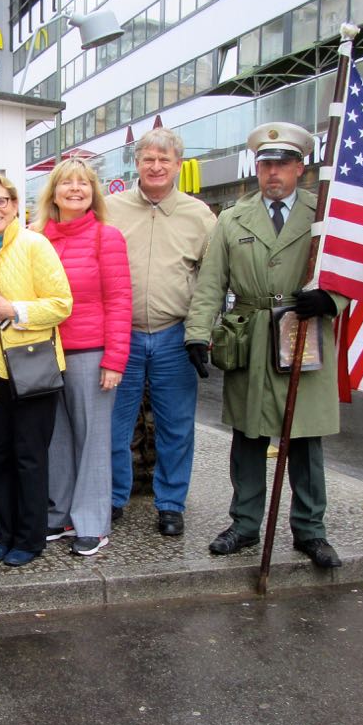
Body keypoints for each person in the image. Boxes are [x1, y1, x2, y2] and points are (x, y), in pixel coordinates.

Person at [185, 121, 345, 570]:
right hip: (252, 335)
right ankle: (245, 524)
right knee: (248, 437)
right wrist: (197, 333)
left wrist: (330, 300)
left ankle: (311, 531)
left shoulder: (323, 216)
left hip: (303, 332)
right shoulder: (233, 218)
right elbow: (211, 282)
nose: (272, 173)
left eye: (282, 164)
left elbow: (346, 274)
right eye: (265, 164)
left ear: (300, 168)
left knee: (306, 439)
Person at [105, 127, 216, 537]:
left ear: (177, 166)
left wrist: (203, 331)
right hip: (121, 335)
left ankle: (170, 504)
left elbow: (213, 279)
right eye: (148, 159)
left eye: (164, 160)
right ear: (136, 163)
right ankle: (113, 498)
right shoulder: (110, 209)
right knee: (114, 425)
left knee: (176, 427)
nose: (155, 167)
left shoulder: (199, 215)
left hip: (175, 334)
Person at [0, 172, 73, 566]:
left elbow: (62, 303)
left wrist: (15, 311)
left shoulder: (34, 244)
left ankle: (30, 538)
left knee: (29, 456)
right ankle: (4, 533)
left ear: (13, 204)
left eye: (0, 201)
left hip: (33, 367)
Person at [37, 159, 132, 557]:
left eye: (83, 183)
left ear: (92, 192)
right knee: (56, 439)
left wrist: (114, 360)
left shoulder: (106, 238)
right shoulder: (37, 238)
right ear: (53, 192)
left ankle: (93, 522)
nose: (75, 189)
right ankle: (59, 514)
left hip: (90, 354)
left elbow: (120, 300)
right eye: (66, 183)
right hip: (45, 353)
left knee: (93, 440)